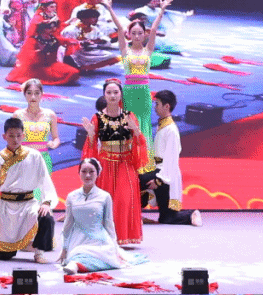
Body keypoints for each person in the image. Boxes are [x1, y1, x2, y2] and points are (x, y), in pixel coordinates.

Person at [82, 79, 146, 246]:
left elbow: (140, 143)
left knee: (124, 201)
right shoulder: (97, 117)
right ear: (104, 95)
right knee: (106, 202)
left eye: (115, 92)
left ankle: (123, 237)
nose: (112, 96)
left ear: (121, 94)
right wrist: (90, 135)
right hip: (105, 165)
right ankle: (104, 238)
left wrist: (136, 131)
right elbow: (90, 147)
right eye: (109, 92)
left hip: (125, 163)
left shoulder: (129, 116)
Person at [0, 117, 58, 261]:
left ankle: (39, 252)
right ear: (4, 136)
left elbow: (44, 180)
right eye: (11, 136)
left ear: (23, 136)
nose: (15, 139)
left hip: (28, 204)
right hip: (5, 207)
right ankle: (22, 245)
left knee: (46, 217)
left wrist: (46, 202)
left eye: (18, 135)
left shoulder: (34, 156)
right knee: (2, 256)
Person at [59, 156, 142, 271]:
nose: (87, 175)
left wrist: (115, 246)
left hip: (99, 240)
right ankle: (76, 264)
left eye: (91, 171)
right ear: (79, 173)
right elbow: (68, 224)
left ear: (98, 173)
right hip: (78, 239)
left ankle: (76, 265)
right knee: (77, 253)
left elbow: (109, 223)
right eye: (84, 171)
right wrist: (64, 248)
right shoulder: (71, 196)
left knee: (102, 256)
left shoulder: (104, 196)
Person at [139, 88, 188, 223]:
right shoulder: (162, 126)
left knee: (167, 218)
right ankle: (135, 215)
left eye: (157, 104)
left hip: (165, 174)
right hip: (159, 171)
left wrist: (159, 180)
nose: (155, 107)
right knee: (166, 218)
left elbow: (171, 159)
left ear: (167, 106)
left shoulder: (171, 130)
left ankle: (191, 215)